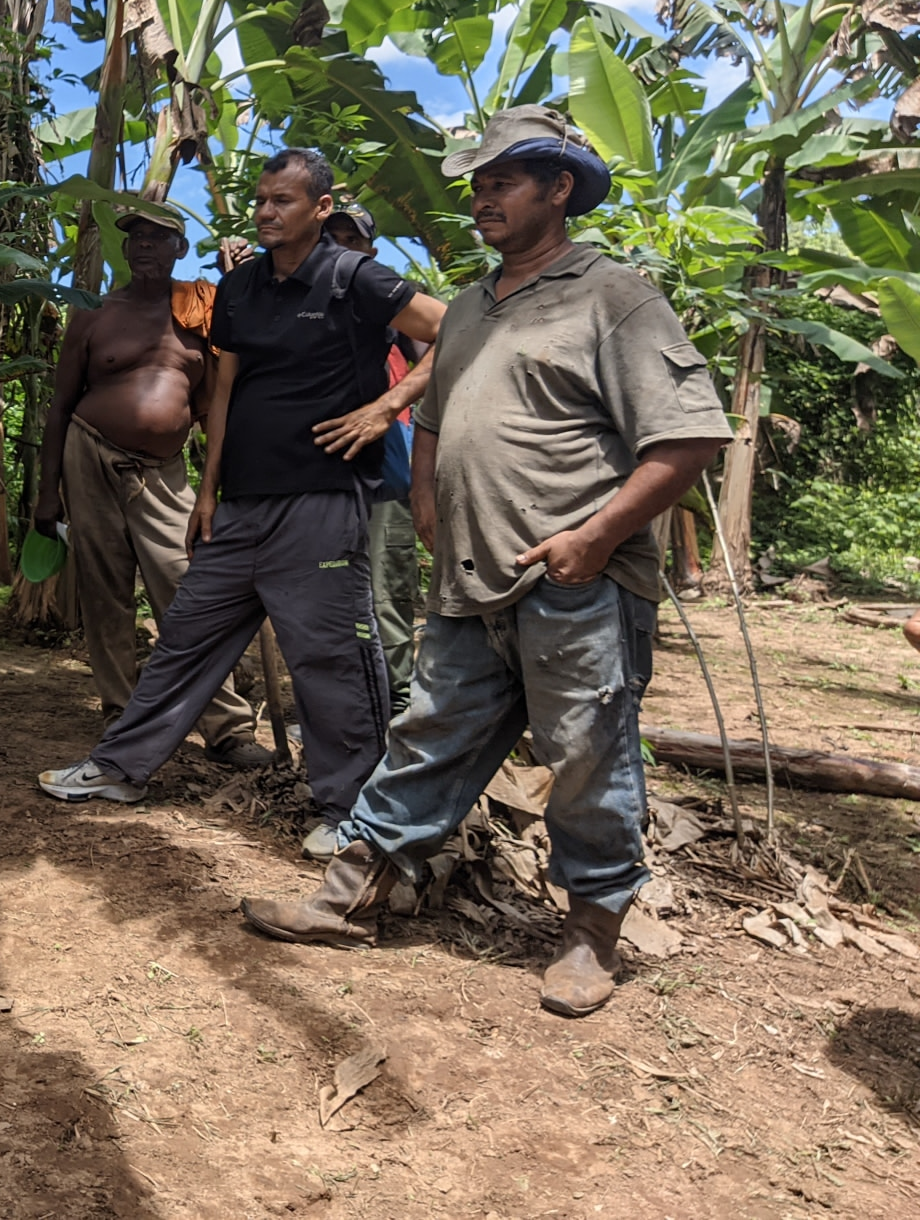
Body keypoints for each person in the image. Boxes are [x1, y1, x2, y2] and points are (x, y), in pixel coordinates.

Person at [241, 107, 733, 1021]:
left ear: (559, 189)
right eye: (477, 183)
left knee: (587, 754)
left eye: (503, 180)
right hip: (470, 576)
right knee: (429, 733)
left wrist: (593, 539)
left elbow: (689, 436)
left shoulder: (612, 296)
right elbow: (430, 415)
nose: (482, 198)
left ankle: (591, 933)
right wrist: (426, 499)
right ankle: (354, 891)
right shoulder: (466, 306)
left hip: (576, 577)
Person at [38, 149, 446, 860]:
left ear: (320, 210)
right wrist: (206, 491)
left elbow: (452, 328)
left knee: (329, 659)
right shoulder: (240, 289)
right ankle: (121, 767)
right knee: (185, 637)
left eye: (282, 201)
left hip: (321, 497)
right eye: (261, 200)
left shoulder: (353, 276)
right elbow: (221, 392)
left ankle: (350, 806)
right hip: (243, 504)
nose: (265, 212)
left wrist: (388, 406)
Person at [31, 208, 270, 771]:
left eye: (157, 238)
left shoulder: (202, 308)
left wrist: (223, 483)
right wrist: (47, 494)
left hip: (164, 472)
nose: (144, 246)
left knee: (189, 589)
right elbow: (60, 406)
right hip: (88, 454)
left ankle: (225, 726)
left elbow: (221, 399)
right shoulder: (94, 314)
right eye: (135, 237)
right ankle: (120, 710)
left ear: (180, 249)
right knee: (104, 591)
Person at [321, 207, 430, 716]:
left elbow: (448, 340)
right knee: (328, 595)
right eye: (333, 237)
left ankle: (397, 703)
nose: (342, 246)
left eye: (352, 239)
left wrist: (390, 404)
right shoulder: (305, 304)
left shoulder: (393, 308)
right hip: (322, 481)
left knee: (387, 596)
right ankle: (340, 704)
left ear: (370, 252)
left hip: (386, 477)